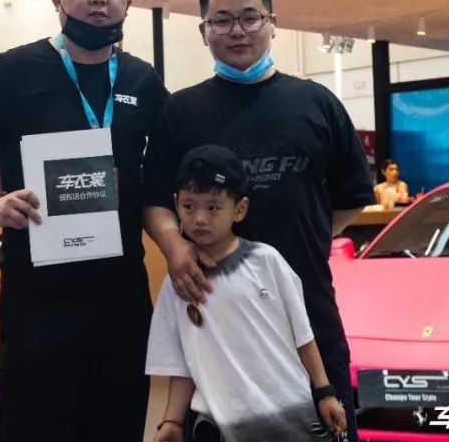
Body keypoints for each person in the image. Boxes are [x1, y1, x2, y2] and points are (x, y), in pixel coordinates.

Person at [0, 0, 169, 442]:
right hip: (38, 296)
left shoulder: (143, 80)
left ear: (128, 1)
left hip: (121, 295)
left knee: (117, 426)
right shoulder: (16, 69)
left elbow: (161, 181)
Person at [143, 0, 373, 442]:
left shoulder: (317, 103)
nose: (237, 31)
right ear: (203, 30)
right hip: (215, 323)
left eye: (250, 17)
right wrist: (175, 246)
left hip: (308, 312)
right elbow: (153, 199)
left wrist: (305, 235)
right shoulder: (179, 111)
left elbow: (351, 197)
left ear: (272, 23)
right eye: (221, 20)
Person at [147, 145, 347, 442]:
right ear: (176, 205)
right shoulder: (179, 282)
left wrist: (325, 392)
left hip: (292, 414)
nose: (199, 218)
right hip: (219, 425)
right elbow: (181, 363)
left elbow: (303, 337)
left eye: (213, 207)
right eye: (189, 206)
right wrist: (172, 421)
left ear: (239, 209)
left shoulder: (267, 261)